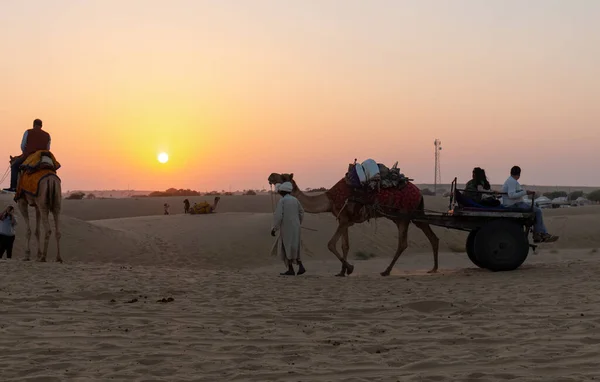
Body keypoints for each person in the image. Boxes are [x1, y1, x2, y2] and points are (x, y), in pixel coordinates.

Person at [501, 166, 558, 243]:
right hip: (515, 204)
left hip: (515, 203)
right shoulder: (512, 181)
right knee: (538, 211)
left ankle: (541, 233)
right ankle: (539, 234)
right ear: (519, 174)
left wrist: (524, 192)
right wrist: (525, 192)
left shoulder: (510, 181)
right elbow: (511, 195)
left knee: (536, 211)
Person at [3, 119, 51, 193]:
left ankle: (13, 187)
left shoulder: (28, 132)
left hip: (30, 155)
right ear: (41, 126)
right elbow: (48, 148)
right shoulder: (47, 135)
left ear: (33, 125)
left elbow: (22, 145)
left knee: (14, 166)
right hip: (42, 157)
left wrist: (25, 152)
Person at [270, 182, 305, 276]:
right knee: (295, 246)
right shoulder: (295, 200)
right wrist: (298, 222)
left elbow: (278, 216)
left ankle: (291, 269)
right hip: (296, 227)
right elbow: (301, 212)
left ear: (282, 191)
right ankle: (300, 266)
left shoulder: (282, 201)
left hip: (286, 227)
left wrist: (274, 228)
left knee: (286, 247)